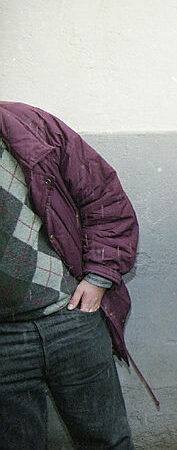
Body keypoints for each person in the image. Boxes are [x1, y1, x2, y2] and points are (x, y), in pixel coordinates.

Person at [0, 101, 139, 449]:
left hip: (71, 317)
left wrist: (97, 278)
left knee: (107, 441)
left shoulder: (29, 126)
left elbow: (105, 198)